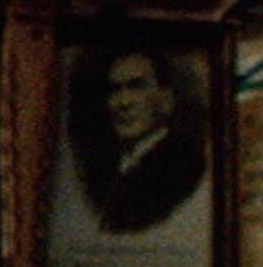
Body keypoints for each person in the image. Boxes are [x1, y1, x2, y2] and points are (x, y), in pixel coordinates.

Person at [70, 48, 205, 235]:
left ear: (167, 100)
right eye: (115, 89)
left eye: (137, 87)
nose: (124, 102)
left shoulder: (186, 166)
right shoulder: (104, 168)